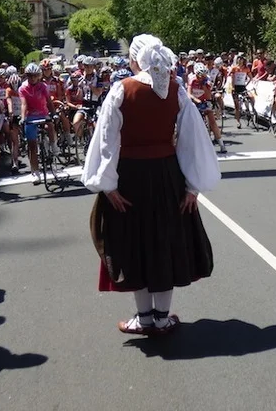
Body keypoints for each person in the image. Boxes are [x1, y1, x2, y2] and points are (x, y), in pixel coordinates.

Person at [82, 34, 219, 335]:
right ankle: (161, 318)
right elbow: (193, 139)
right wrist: (192, 186)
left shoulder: (122, 89)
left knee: (135, 243)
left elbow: (107, 140)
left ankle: (144, 318)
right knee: (164, 242)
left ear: (134, 60)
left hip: (130, 177)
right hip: (167, 175)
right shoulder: (176, 89)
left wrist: (108, 186)